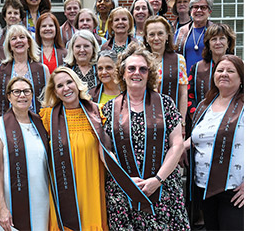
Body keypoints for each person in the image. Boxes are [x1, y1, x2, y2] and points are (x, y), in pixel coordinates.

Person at [102, 44, 189, 230]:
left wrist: (157, 180)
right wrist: (125, 179)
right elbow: (106, 150)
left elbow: (177, 145)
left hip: (163, 189)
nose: (137, 73)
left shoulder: (165, 103)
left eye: (143, 69)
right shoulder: (109, 109)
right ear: (122, 73)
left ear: (149, 74)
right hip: (124, 191)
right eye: (131, 68)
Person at [39, 66, 109, 230]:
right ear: (55, 92)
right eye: (60, 86)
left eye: (69, 82)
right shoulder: (47, 117)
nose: (66, 88)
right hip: (63, 187)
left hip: (91, 184)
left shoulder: (97, 112)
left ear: (77, 84)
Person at [186, 55, 244, 230]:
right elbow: (200, 136)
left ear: (241, 77)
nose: (224, 74)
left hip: (234, 190)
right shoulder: (205, 105)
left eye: (230, 71)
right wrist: (180, 148)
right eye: (220, 70)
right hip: (204, 188)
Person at [0, 77, 51, 231]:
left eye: (26, 91)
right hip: (8, 200)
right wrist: (2, 208)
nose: (22, 95)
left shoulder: (42, 124)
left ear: (32, 95)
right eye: (16, 91)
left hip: (40, 200)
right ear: (9, 96)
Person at [0, 24, 49, 119]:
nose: (18, 41)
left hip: (36, 123)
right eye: (13, 38)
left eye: (22, 37)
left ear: (29, 43)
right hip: (8, 124)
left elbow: (48, 100)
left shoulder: (42, 69)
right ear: (9, 46)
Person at [186, 23, 236, 135]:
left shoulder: (238, 67)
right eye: (214, 39)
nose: (218, 42)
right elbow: (189, 96)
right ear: (208, 43)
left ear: (228, 42)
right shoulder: (197, 68)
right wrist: (197, 117)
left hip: (230, 123)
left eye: (222, 38)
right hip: (200, 124)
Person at [143, 16, 189, 125]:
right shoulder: (140, 61)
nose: (156, 38)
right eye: (152, 34)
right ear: (146, 37)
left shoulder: (179, 60)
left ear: (167, 36)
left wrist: (182, 121)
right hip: (144, 118)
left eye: (160, 33)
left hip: (171, 119)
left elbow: (183, 93)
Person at [175, 0, 214, 74]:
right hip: (185, 81)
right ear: (191, 10)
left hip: (209, 79)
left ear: (209, 11)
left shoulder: (215, 31)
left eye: (203, 7)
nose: (199, 10)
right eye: (195, 7)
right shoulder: (180, 32)